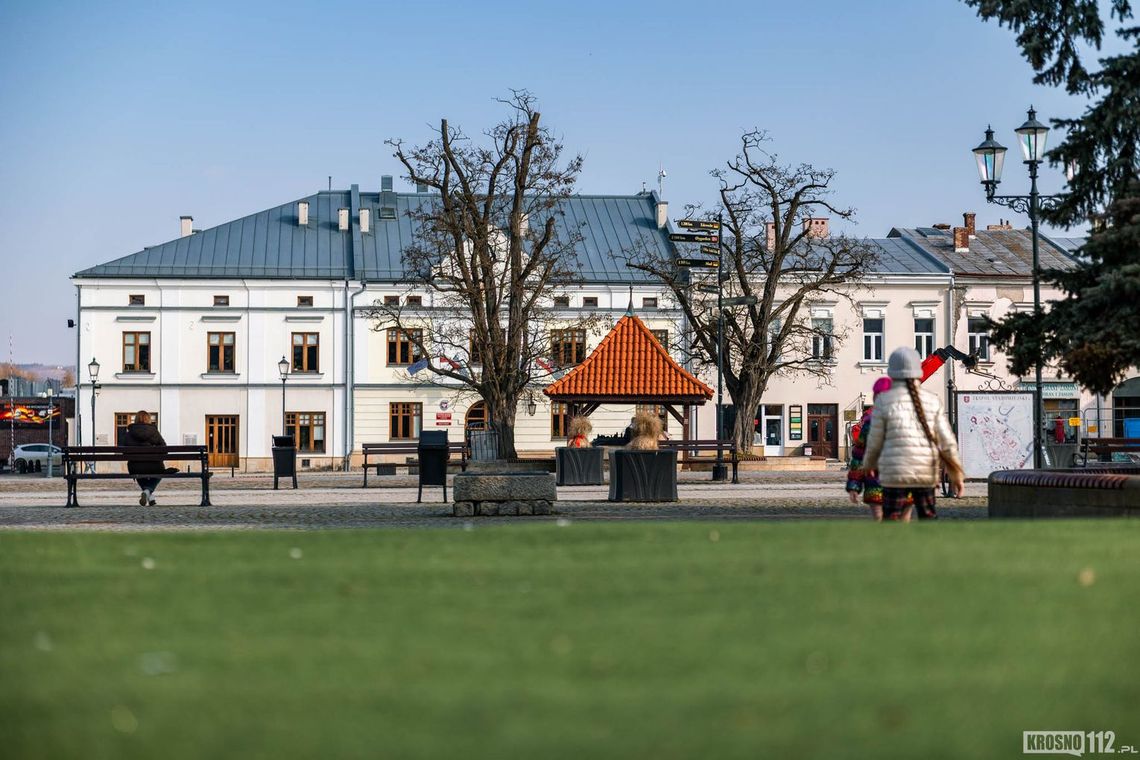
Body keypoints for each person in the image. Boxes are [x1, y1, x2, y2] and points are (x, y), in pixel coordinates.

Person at [862, 347, 965, 521]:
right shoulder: (932, 401)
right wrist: (956, 474)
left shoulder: (883, 402)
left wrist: (869, 466)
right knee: (927, 519)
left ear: (891, 373)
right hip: (924, 474)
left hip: (894, 475)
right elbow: (947, 442)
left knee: (892, 521)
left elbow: (874, 442)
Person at [846, 377, 893, 521]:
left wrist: (854, 486)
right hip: (899, 482)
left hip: (876, 481)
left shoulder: (869, 424)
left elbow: (859, 457)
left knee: (880, 519)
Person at [122, 410, 168, 506]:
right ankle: (148, 492)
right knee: (160, 472)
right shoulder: (154, 431)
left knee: (138, 471)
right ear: (148, 419)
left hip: (135, 466)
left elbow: (123, 450)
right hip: (155, 466)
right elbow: (164, 448)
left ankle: (148, 494)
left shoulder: (130, 433)